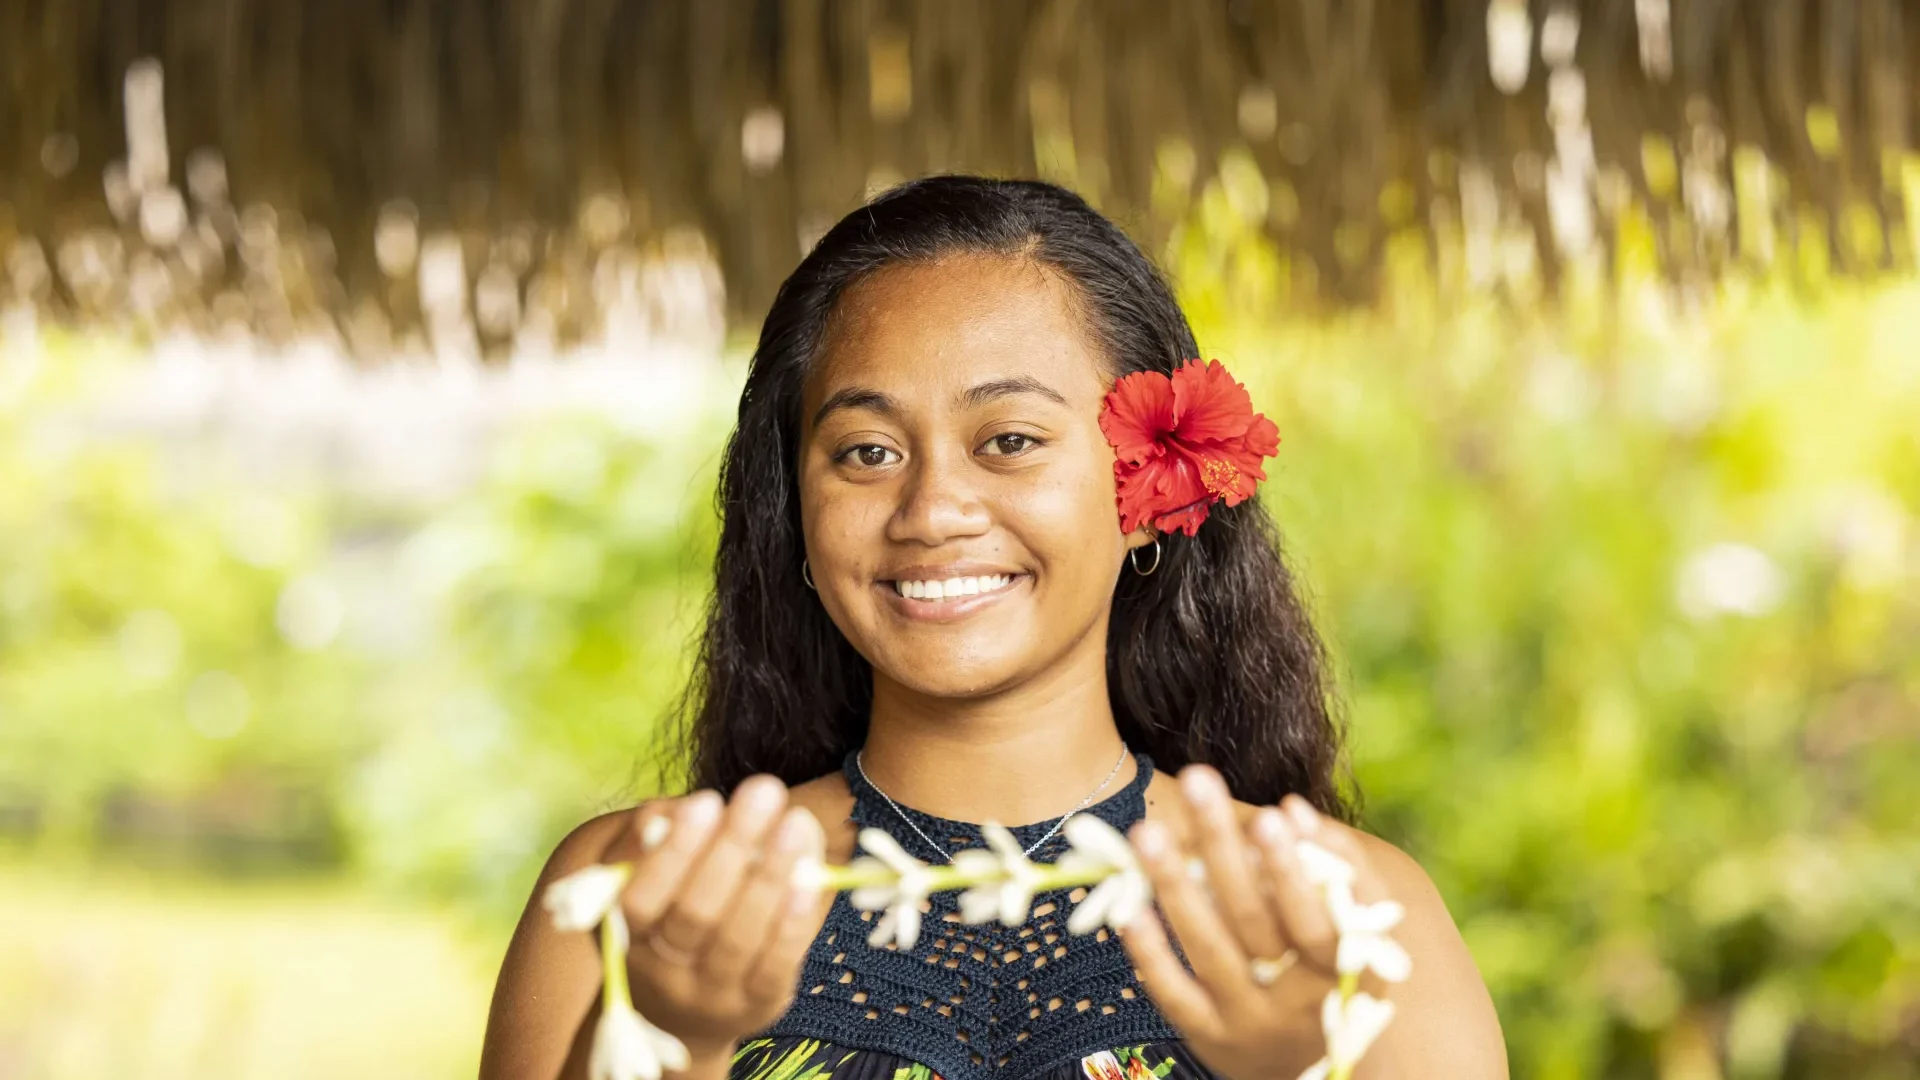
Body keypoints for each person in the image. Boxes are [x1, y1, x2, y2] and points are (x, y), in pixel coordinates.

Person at [480, 175, 1507, 1080]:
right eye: (866, 453)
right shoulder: (629, 899)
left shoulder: (1357, 913)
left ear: (1146, 485)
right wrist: (668, 1040)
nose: (931, 510)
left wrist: (1300, 1072)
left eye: (1008, 440)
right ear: (795, 512)